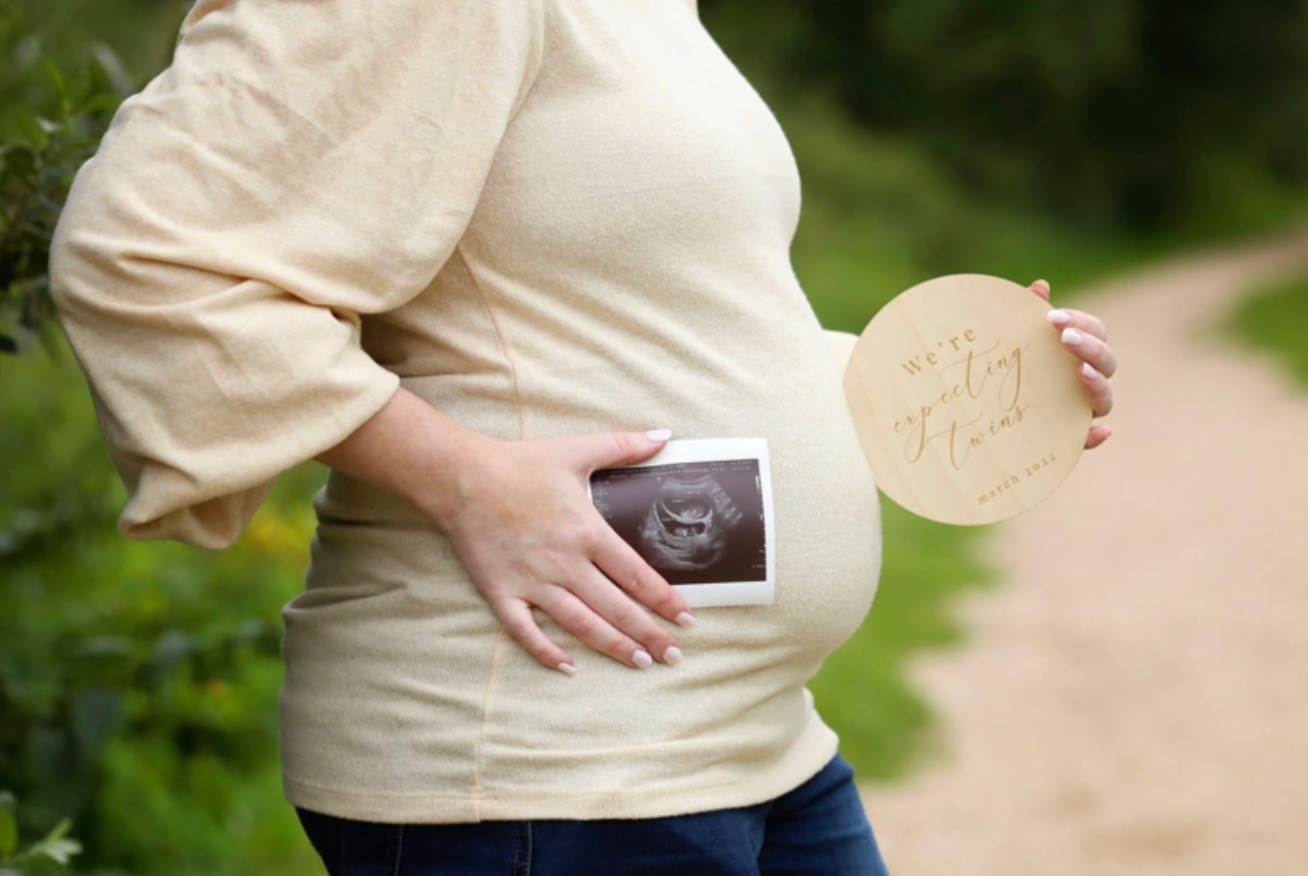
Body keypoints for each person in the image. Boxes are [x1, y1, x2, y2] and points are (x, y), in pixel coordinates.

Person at [46, 0, 1118, 872]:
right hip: (539, 767)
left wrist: (970, 384)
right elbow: (145, 253)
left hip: (755, 743)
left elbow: (668, 325)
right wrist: (465, 479)